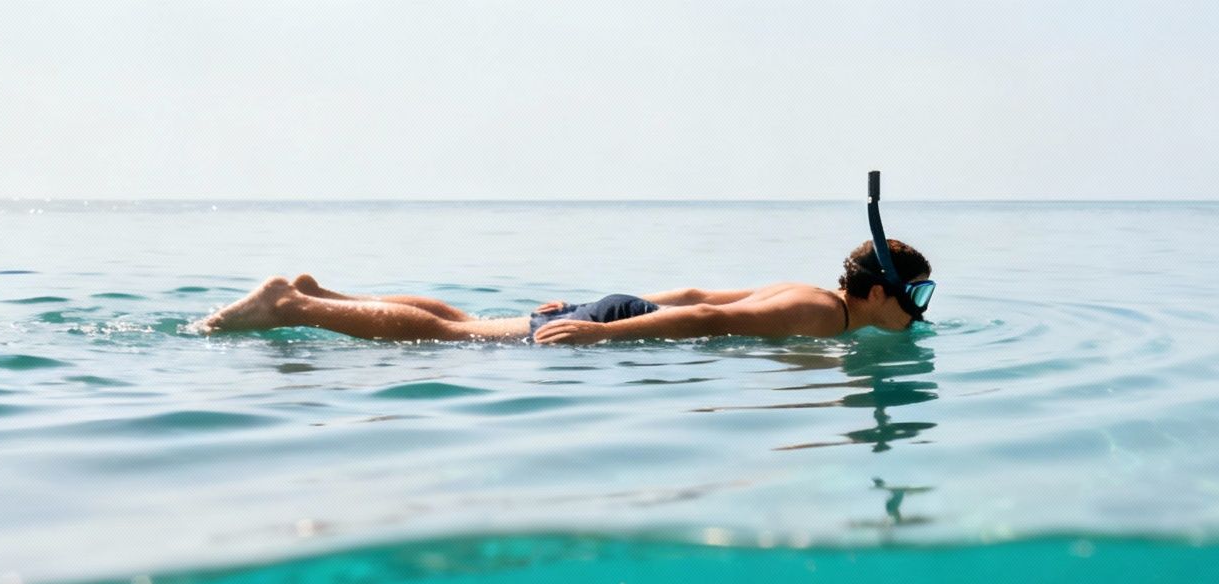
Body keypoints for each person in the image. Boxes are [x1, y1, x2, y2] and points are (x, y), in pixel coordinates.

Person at [195, 239, 933, 344]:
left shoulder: (804, 290)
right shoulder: (819, 314)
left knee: (464, 319)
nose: (920, 311)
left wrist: (605, 307)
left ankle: (322, 291)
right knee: (451, 340)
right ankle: (290, 307)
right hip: (624, 325)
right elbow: (705, 314)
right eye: (916, 296)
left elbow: (696, 290)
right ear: (878, 293)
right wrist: (600, 330)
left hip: (629, 308)